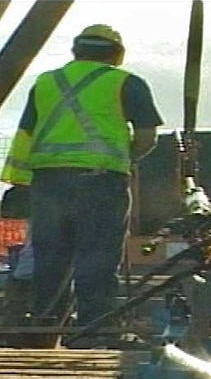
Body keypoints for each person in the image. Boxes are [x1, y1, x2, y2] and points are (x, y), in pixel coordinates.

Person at [3, 24, 164, 342]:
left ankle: (45, 331)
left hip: (48, 183)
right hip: (100, 182)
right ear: (117, 54)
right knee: (98, 257)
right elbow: (147, 137)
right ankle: (95, 333)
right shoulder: (126, 83)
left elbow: (25, 136)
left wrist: (20, 181)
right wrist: (124, 159)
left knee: (50, 258)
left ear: (76, 50)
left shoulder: (45, 83)